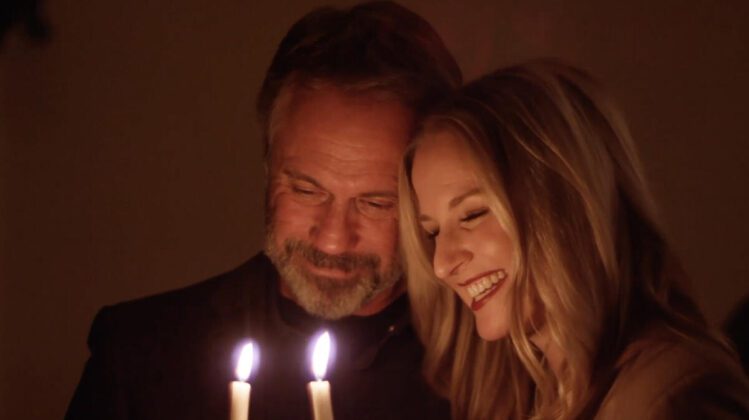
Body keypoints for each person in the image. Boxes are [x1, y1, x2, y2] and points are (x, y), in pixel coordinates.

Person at [65, 2, 461, 419]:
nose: (332, 239)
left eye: (376, 203)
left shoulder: (488, 362)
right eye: (306, 190)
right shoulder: (139, 355)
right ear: (268, 164)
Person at [399, 60, 749, 419]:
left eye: (471, 215)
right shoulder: (523, 395)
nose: (441, 265)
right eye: (433, 232)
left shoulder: (672, 396)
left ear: (564, 202)